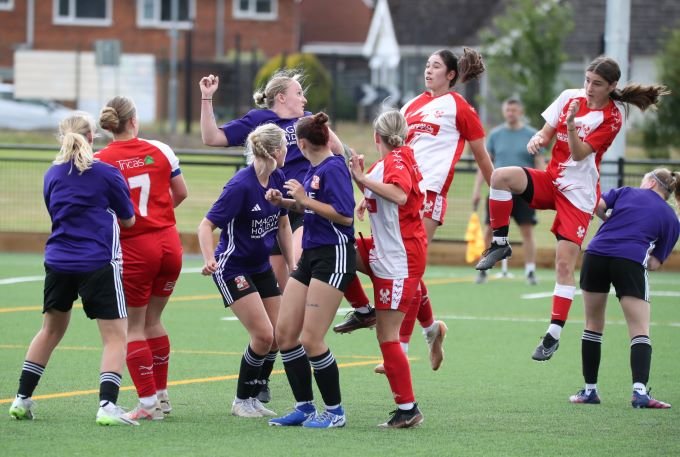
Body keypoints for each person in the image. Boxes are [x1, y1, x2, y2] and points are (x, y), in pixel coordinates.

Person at [474, 56, 670, 362]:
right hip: (552, 180)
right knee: (499, 177)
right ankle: (500, 243)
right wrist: (539, 138)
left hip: (578, 196)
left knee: (563, 265)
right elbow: (545, 132)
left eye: (597, 84)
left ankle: (553, 334)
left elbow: (579, 154)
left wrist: (570, 126)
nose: (589, 88)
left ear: (612, 87)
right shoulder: (569, 97)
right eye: (588, 80)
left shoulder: (613, 116)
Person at [336, 48, 494, 373]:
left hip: (428, 193)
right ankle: (431, 329)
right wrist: (369, 189)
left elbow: (481, 154)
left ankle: (402, 348)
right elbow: (394, 151)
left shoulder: (460, 108)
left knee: (408, 269)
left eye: (435, 66)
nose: (428, 70)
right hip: (398, 193)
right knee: (402, 269)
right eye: (427, 65)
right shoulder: (412, 105)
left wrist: (498, 191)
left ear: (451, 74)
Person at [200, 71, 346, 401]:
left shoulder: (307, 122)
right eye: (299, 93)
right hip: (271, 209)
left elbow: (337, 150)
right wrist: (207, 97)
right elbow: (212, 137)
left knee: (296, 281)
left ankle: (274, 368)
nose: (304, 99)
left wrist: (344, 170)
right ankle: (260, 379)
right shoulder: (260, 122)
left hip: (300, 209)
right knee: (276, 313)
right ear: (281, 97)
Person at [8, 112, 138, 426]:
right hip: (98, 262)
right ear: (92, 137)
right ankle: (107, 406)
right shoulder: (107, 173)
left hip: (58, 261)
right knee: (115, 337)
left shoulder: (51, 174)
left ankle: (22, 399)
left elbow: (56, 211)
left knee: (49, 330)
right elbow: (129, 218)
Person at [96, 96, 188, 420]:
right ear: (134, 121)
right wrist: (159, 217)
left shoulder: (100, 160)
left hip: (135, 248)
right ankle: (161, 396)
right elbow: (181, 192)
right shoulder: (161, 149)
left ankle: (148, 404)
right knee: (154, 321)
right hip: (169, 244)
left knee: (133, 327)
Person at [265, 112, 356, 428]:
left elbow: (345, 216)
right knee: (285, 333)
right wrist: (286, 202)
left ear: (302, 144)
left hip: (334, 255)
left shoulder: (334, 168)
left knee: (311, 338)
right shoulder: (315, 169)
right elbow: (306, 206)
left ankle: (335, 412)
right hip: (311, 256)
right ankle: (304, 407)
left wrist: (304, 199)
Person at [197, 124, 293, 418]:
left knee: (278, 335)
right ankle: (241, 400)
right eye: (286, 146)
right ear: (276, 151)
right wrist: (208, 258)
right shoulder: (240, 185)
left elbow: (283, 224)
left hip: (260, 265)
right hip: (232, 267)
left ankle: (253, 398)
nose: (288, 150)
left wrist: (293, 264)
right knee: (263, 334)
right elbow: (205, 225)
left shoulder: (277, 177)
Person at [569, 169, 679, 408]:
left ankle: (590, 391)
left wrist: (608, 220)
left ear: (650, 183)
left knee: (592, 325)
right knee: (640, 329)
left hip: (595, 255)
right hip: (629, 261)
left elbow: (597, 205)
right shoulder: (671, 218)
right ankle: (639, 393)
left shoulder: (626, 192)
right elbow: (655, 263)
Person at [348, 110, 427, 428]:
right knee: (337, 254)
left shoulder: (395, 160)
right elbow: (389, 197)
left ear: (376, 136)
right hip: (388, 250)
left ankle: (408, 409)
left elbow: (399, 193)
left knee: (387, 335)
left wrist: (363, 180)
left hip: (400, 258)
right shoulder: (389, 161)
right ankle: (363, 308)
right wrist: (364, 195)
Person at [472, 98, 545, 285]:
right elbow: (484, 163)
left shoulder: (532, 134)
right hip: (498, 192)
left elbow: (539, 163)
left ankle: (530, 271)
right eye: (508, 110)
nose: (510, 113)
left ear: (520, 112)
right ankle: (484, 269)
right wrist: (476, 190)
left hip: (524, 192)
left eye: (514, 110)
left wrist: (542, 188)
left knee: (527, 232)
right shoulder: (496, 135)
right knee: (490, 229)